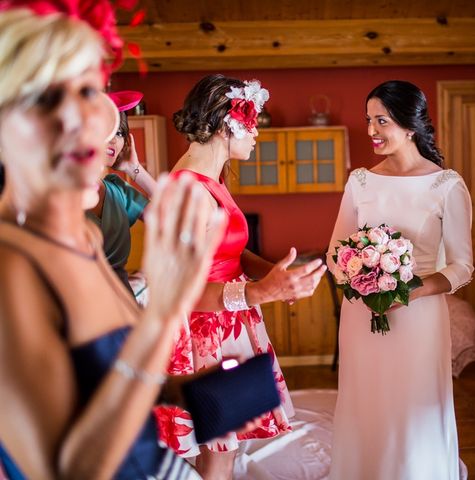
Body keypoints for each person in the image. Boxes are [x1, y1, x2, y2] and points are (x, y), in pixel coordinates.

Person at [0, 3, 227, 478]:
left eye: (87, 90)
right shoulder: (11, 267)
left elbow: (122, 375)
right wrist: (163, 315)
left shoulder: (82, 235)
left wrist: (220, 396)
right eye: (47, 97)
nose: (88, 117)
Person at [157, 74, 327, 479]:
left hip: (228, 322)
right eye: (251, 122)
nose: (255, 134)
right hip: (205, 334)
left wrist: (275, 276)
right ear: (223, 124)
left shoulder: (210, 180)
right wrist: (257, 293)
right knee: (219, 447)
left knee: (227, 444)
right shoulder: (189, 193)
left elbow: (230, 252)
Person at [327, 80, 474, 479]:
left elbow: (461, 267)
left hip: (419, 319)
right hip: (362, 315)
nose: (371, 130)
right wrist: (360, 281)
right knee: (366, 401)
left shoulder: (446, 185)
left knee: (413, 405)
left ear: (410, 126)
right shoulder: (360, 181)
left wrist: (407, 290)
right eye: (368, 120)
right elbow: (335, 252)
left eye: (382, 121)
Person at [87, 90, 156, 296]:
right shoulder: (57, 193)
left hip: (122, 305)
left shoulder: (118, 191)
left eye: (119, 132)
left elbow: (172, 217)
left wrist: (134, 169)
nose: (113, 140)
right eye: (105, 129)